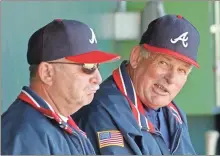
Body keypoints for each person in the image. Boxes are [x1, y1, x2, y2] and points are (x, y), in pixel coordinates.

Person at [72, 14, 200, 155]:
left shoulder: (175, 115)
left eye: (182, 70)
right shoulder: (101, 112)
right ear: (136, 57)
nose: (171, 78)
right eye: (163, 63)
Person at [1, 19, 120, 155]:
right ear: (47, 73)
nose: (98, 78)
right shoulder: (24, 136)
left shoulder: (60, 122)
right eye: (88, 66)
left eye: (97, 66)